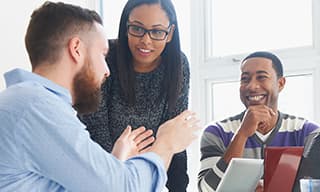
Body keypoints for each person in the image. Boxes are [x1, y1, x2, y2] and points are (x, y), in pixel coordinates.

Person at [0, 2, 200, 192]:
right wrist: (165, 144)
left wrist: (115, 160)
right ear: (76, 49)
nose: (107, 71)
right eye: (103, 55)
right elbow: (123, 188)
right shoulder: (37, 109)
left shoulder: (28, 104)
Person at [79, 0, 191, 191]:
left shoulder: (177, 64)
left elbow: (174, 135)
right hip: (103, 174)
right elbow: (94, 128)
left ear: (170, 33)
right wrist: (121, 178)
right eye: (137, 29)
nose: (146, 41)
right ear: (125, 27)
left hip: (150, 173)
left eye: (157, 32)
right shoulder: (105, 58)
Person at [197, 51, 320, 192]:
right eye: (245, 79)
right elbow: (206, 189)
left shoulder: (307, 132)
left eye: (261, 77)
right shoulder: (217, 132)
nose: (251, 86)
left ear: (280, 84)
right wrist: (242, 134)